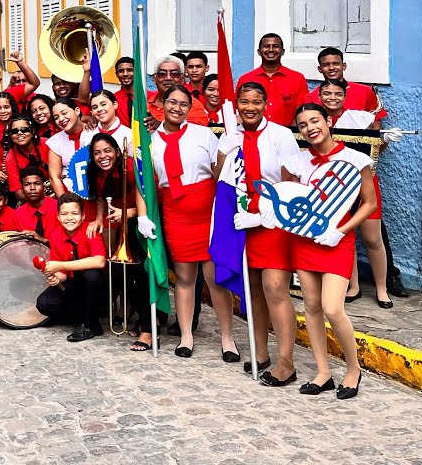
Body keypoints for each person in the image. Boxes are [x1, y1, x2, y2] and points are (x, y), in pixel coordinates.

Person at [283, 103, 377, 399]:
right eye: (302, 125)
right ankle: (323, 372)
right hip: (305, 241)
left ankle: (353, 369)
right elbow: (288, 203)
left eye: (315, 121)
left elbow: (369, 204)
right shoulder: (296, 161)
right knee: (310, 305)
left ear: (329, 121)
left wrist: (341, 230)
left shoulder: (356, 159)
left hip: (338, 241)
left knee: (333, 308)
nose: (310, 128)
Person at [217, 82, 301, 383]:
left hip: (273, 220)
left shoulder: (281, 135)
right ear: (236, 104)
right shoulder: (231, 135)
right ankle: (261, 351)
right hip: (242, 220)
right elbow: (220, 179)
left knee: (275, 288)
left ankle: (286, 360)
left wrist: (267, 213)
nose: (249, 107)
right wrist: (226, 151)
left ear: (266, 104)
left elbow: (292, 181)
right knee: (252, 291)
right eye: (243, 101)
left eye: (256, 101)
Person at [148, 86, 236, 360]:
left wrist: (228, 155)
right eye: (172, 102)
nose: (177, 108)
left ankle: (228, 339)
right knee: (185, 278)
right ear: (162, 104)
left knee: (214, 278)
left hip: (207, 213)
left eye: (183, 104)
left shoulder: (203, 134)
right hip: (175, 214)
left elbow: (218, 173)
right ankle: (186, 335)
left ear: (189, 107)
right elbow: (150, 184)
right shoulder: (150, 141)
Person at [317, 80, 393, 307]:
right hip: (335, 185)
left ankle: (382, 289)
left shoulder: (360, 118)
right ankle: (354, 285)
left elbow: (375, 147)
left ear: (344, 95)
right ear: (319, 96)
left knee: (372, 237)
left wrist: (385, 140)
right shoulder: (316, 120)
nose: (332, 97)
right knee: (344, 236)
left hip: (365, 181)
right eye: (327, 93)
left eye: (337, 93)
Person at [83, 134, 154, 350]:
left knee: (141, 273)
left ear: (117, 150)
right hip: (123, 223)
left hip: (143, 221)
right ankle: (142, 316)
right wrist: (98, 219)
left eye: (107, 151)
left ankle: (148, 330)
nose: (102, 156)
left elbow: (152, 197)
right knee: (120, 272)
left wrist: (129, 213)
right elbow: (101, 197)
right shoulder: (95, 171)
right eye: (97, 153)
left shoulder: (131, 167)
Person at [37, 192, 107, 342]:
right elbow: (62, 274)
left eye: (74, 213)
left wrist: (60, 264)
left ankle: (89, 325)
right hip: (72, 285)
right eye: (64, 214)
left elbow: (100, 261)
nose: (69, 218)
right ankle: (78, 317)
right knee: (44, 304)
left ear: (82, 216)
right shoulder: (55, 236)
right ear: (58, 217)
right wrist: (54, 276)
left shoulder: (90, 230)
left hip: (95, 287)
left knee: (91, 275)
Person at [237, 34, 307, 127]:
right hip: (253, 135)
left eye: (275, 46)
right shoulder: (245, 79)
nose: (270, 49)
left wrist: (290, 134)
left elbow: (302, 111)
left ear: (282, 51)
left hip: (287, 135)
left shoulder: (297, 78)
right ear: (259, 52)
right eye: (266, 46)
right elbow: (239, 110)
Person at [308, 47, 385, 115]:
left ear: (344, 66)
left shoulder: (366, 92)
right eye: (326, 65)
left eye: (336, 63)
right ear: (319, 69)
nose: (331, 68)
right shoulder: (311, 97)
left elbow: (375, 126)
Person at [145, 55, 209, 129]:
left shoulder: (193, 105)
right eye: (162, 74)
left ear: (182, 78)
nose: (168, 78)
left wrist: (161, 126)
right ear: (154, 79)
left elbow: (196, 133)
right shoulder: (146, 104)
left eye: (174, 74)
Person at [45, 97, 89, 196]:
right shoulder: (55, 141)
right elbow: (54, 177)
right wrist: (65, 202)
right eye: (56, 117)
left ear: (77, 111)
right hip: (69, 192)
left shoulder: (93, 133)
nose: (61, 119)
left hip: (95, 193)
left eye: (64, 113)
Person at [5, 115, 50, 202]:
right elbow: (19, 193)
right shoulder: (10, 158)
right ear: (11, 135)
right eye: (15, 131)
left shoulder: (48, 144)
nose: (19, 133)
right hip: (29, 199)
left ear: (32, 131)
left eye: (24, 130)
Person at [16, 165, 59, 236]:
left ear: (44, 188)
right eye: (27, 184)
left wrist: (44, 241)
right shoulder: (18, 214)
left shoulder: (58, 207)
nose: (32, 188)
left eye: (37, 183)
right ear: (22, 189)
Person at [113, 56, 136, 127]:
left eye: (129, 70)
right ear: (116, 74)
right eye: (121, 71)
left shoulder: (148, 96)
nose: (125, 74)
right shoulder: (112, 99)